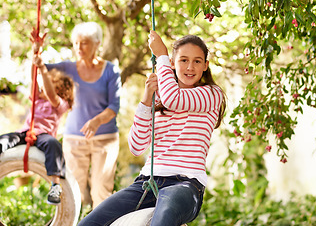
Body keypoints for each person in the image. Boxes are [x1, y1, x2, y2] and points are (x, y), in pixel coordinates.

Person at [78, 30, 226, 226]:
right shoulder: (160, 99)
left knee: (161, 221)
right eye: (183, 60)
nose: (190, 67)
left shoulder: (211, 94)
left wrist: (161, 55)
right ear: (173, 64)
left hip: (185, 185)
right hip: (147, 183)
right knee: (88, 223)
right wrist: (147, 99)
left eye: (197, 61)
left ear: (206, 66)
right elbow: (137, 146)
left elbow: (175, 99)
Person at [33, 22, 121, 208]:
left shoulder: (111, 71)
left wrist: (96, 121)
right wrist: (37, 50)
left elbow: (114, 106)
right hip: (74, 140)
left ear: (97, 44)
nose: (79, 47)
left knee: (101, 191)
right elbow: (38, 67)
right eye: (76, 43)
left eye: (85, 43)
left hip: (104, 139)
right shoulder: (67, 68)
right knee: (73, 191)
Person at [0, 34, 75, 205]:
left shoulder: (59, 103)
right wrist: (36, 54)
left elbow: (50, 92)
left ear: (61, 91)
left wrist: (42, 67)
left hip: (44, 136)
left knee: (54, 145)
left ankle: (55, 185)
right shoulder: (37, 99)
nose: (42, 88)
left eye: (52, 84)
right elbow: (34, 80)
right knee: (4, 139)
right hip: (25, 132)